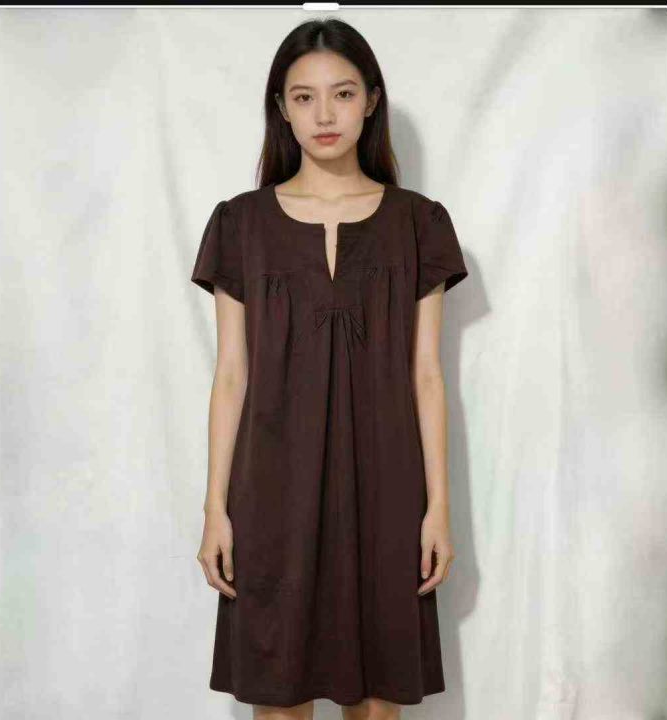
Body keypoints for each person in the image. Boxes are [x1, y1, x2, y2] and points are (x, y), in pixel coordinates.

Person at [191, 17, 468, 720]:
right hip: (271, 491)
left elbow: (427, 373)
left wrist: (437, 507)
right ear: (281, 108)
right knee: (278, 696)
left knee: (378, 702)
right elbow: (231, 375)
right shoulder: (240, 224)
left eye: (342, 94)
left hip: (387, 491)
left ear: (371, 101)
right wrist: (215, 509)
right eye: (304, 96)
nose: (324, 115)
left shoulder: (419, 223)